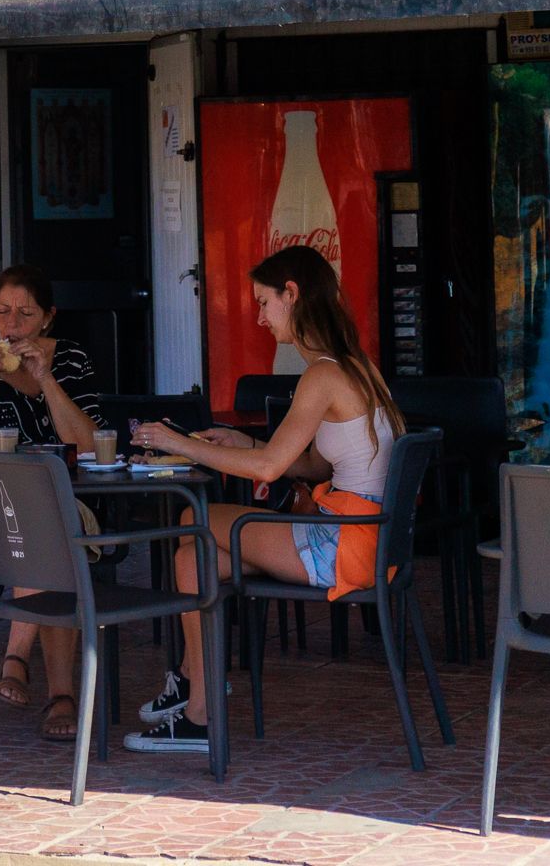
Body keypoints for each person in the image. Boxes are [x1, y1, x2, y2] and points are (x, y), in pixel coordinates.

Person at [119, 246, 405, 754]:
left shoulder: (323, 375)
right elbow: (314, 465)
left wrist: (178, 442)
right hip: (365, 537)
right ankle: (196, 699)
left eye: (264, 302)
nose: (258, 316)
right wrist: (246, 443)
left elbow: (272, 471)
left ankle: (198, 700)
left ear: (291, 294)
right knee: (192, 553)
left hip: (345, 545)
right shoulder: (356, 366)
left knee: (194, 518)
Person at [0, 264, 102, 740]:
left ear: (47, 319)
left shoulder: (72, 360)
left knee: (51, 523)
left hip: (69, 501)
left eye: (25, 313)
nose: (12, 324)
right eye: (2, 312)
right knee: (42, 531)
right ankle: (63, 695)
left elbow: (92, 446)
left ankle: (16, 656)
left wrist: (47, 380)